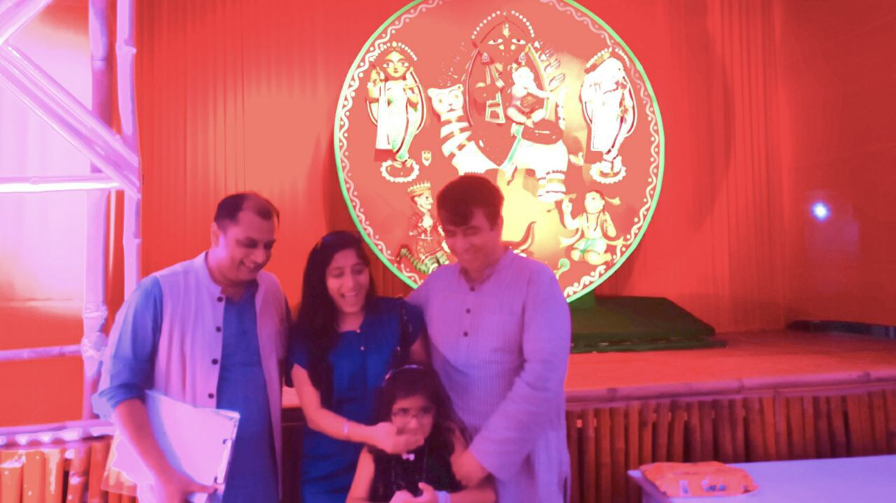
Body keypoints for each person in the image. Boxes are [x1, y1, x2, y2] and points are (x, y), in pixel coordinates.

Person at [94, 192, 289, 502]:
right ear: (215, 234)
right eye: (248, 244)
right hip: (181, 486)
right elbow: (117, 390)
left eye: (269, 246)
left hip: (259, 485)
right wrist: (164, 476)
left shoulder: (273, 291)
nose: (260, 257)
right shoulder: (159, 292)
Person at [407, 175, 571, 502]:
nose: (460, 245)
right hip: (456, 460)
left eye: (471, 231)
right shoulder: (438, 285)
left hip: (525, 459)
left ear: (498, 225)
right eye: (451, 233)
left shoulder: (536, 281)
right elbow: (394, 323)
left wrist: (484, 456)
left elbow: (543, 378)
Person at [290, 231, 428, 502]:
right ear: (320, 280)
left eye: (358, 270)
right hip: (327, 474)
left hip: (394, 466)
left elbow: (426, 386)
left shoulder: (400, 316)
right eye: (337, 274)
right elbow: (314, 414)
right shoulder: (305, 335)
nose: (351, 283)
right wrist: (372, 435)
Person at [347, 365, 495, 503]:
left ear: (435, 412)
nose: (414, 424)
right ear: (388, 414)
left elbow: (487, 495)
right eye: (403, 412)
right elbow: (354, 499)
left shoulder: (447, 440)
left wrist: (441, 499)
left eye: (424, 411)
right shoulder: (374, 449)